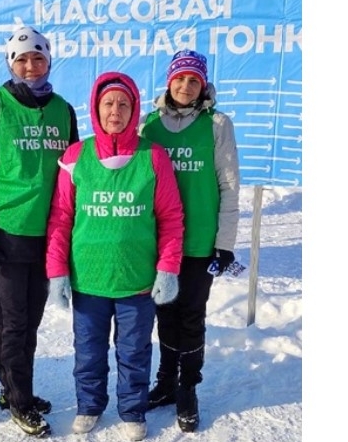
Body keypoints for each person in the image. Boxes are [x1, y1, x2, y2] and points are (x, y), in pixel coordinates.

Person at [46, 71, 184, 441]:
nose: (115, 111)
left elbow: (170, 217)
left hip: (136, 279)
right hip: (88, 279)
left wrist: (168, 268)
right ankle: (89, 405)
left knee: (134, 351)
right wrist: (57, 270)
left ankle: (132, 410)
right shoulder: (76, 156)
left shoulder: (153, 157)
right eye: (108, 103)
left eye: (123, 104)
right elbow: (61, 217)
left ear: (134, 109)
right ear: (96, 107)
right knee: (88, 351)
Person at [0, 26, 79, 438]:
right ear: (11, 63)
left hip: (48, 234)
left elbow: (74, 175)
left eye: (38, 57)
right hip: (5, 232)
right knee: (13, 321)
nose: (30, 66)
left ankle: (11, 387)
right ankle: (19, 400)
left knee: (29, 320)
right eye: (22, 59)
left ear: (49, 60)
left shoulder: (63, 110)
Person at [139, 49, 240, 433]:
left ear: (203, 84)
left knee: (192, 316)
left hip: (199, 242)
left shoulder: (217, 124)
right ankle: (166, 380)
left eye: (193, 80)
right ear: (169, 81)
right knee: (165, 313)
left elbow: (229, 186)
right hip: (160, 243)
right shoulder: (149, 125)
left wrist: (224, 243)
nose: (185, 86)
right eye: (179, 78)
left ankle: (187, 388)